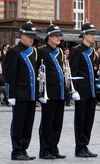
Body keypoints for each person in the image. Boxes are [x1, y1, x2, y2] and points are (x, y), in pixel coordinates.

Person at [5, 20, 38, 160]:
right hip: (19, 94)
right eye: (29, 36)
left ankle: (24, 148)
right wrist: (11, 94)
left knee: (28, 124)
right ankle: (16, 151)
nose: (32, 39)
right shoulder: (14, 51)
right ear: (22, 35)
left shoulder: (32, 52)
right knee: (18, 123)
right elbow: (10, 74)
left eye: (33, 37)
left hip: (30, 94)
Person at [69, 22, 98, 158]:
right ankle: (79, 147)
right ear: (84, 35)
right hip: (81, 91)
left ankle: (85, 145)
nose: (93, 37)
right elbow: (72, 72)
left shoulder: (92, 51)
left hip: (91, 91)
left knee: (89, 120)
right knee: (80, 120)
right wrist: (73, 90)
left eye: (93, 34)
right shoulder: (77, 51)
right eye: (91, 34)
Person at [37, 22, 66, 159]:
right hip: (49, 92)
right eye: (55, 36)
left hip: (59, 92)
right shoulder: (43, 51)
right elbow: (41, 72)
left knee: (57, 123)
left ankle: (54, 148)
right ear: (49, 37)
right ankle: (45, 150)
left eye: (59, 36)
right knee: (47, 123)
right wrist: (41, 93)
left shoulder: (59, 52)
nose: (58, 38)